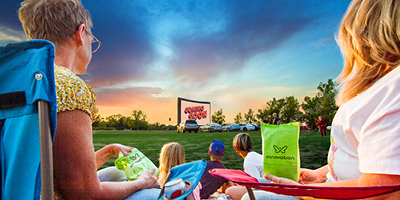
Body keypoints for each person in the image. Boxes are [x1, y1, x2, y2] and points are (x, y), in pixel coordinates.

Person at [260, 0, 400, 199]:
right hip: (328, 187)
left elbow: (381, 191)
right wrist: (321, 175)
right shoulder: (381, 86)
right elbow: (369, 159)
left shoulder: (394, 90)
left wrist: (306, 193)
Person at [18, 0, 158, 199]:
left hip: (21, 190)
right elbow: (86, 194)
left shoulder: (21, 80)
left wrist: (107, 151)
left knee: (116, 173)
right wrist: (141, 183)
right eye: (92, 39)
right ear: (80, 33)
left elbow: (58, 169)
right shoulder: (67, 85)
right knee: (152, 192)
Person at [225, 133, 263, 200]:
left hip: (261, 191)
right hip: (265, 186)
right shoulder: (255, 156)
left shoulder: (249, 160)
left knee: (229, 191)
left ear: (236, 148)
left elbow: (255, 185)